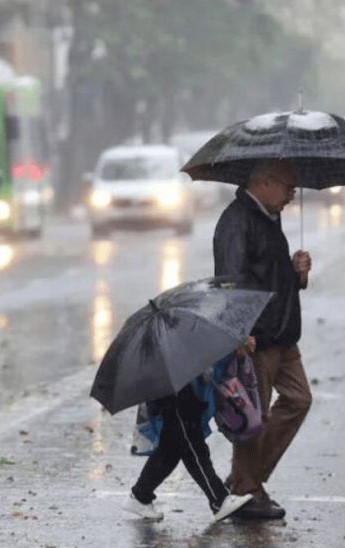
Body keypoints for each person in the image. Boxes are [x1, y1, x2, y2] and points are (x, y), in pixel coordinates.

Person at [212, 159, 312, 520]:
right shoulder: (237, 221)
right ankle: (245, 491)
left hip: (283, 334)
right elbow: (230, 281)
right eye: (289, 187)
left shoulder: (269, 216)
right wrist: (238, 332)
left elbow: (268, 274)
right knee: (254, 417)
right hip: (256, 337)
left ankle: (244, 479)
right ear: (266, 182)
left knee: (299, 400)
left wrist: (296, 271)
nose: (291, 196)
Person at [123, 340, 256, 523]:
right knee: (193, 447)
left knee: (170, 450)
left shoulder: (176, 325)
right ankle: (219, 500)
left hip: (182, 385)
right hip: (174, 390)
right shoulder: (167, 331)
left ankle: (140, 496)